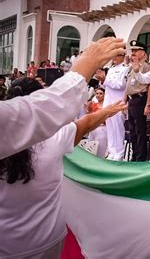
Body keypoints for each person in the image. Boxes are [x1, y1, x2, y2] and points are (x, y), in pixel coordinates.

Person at [0, 77, 126, 259]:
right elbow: (86, 124)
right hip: (48, 241)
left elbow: (86, 122)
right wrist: (107, 111)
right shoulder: (56, 138)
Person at [0, 37, 125, 159]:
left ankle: (116, 153)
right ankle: (115, 152)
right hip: (110, 104)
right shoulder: (55, 139)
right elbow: (81, 123)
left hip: (113, 102)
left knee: (115, 133)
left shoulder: (7, 124)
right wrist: (87, 62)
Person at [125, 41, 150, 161]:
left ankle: (140, 157)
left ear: (143, 53)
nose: (133, 53)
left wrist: (148, 104)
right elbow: (128, 85)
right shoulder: (132, 66)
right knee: (132, 130)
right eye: (132, 51)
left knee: (140, 130)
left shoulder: (146, 66)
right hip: (131, 100)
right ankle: (134, 155)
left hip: (140, 98)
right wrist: (124, 101)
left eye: (136, 51)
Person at [103, 53, 129, 161]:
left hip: (118, 102)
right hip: (109, 101)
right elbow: (106, 86)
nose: (114, 58)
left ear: (122, 56)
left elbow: (120, 85)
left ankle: (119, 152)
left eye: (117, 55)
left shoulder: (126, 69)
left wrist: (105, 80)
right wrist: (102, 80)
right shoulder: (110, 69)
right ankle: (112, 151)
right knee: (110, 128)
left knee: (118, 128)